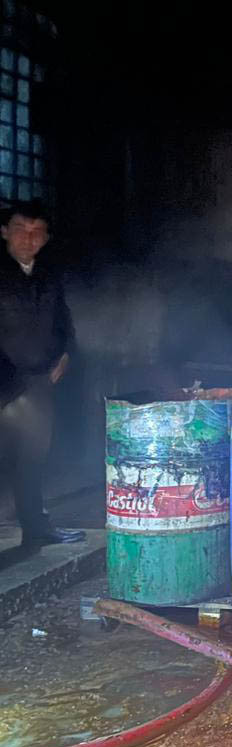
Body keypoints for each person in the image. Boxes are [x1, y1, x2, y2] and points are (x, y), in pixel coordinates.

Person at [0, 201, 84, 548]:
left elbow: (64, 323)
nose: (27, 239)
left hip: (38, 383)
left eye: (36, 233)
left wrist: (66, 354)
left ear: (45, 238)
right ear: (4, 231)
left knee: (32, 458)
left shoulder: (48, 277)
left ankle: (37, 526)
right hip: (4, 380)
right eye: (20, 229)